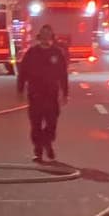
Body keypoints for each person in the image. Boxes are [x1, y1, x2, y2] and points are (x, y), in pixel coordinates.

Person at [17, 22, 69, 162]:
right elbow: (23, 72)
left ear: (52, 37)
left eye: (48, 35)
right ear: (39, 37)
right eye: (43, 36)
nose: (46, 38)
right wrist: (20, 89)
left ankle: (47, 142)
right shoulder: (31, 53)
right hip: (35, 95)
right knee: (36, 125)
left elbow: (63, 74)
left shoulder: (57, 53)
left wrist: (65, 93)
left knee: (52, 123)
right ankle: (38, 150)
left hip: (51, 95)